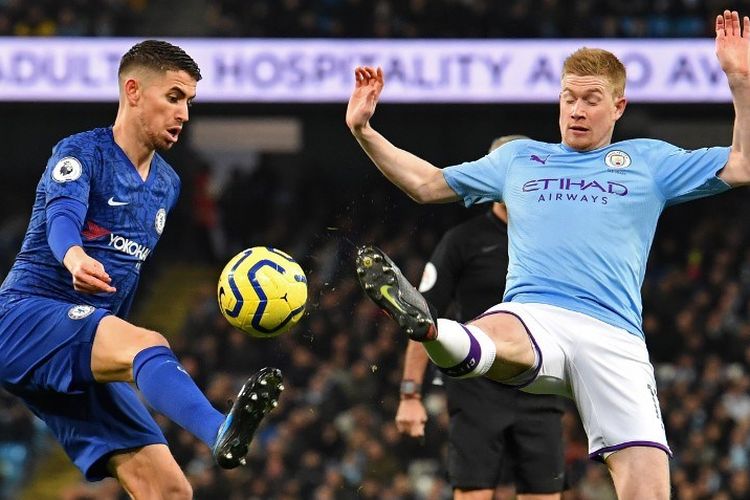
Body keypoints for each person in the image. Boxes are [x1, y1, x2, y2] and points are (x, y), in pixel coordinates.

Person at [346, 10, 750, 499]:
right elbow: (427, 184)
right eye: (568, 97)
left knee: (649, 490)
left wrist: (740, 83)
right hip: (533, 314)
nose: (577, 109)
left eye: (591, 99)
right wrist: (364, 132)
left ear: (618, 106)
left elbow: (743, 164)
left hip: (614, 337)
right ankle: (429, 328)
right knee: (492, 333)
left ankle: (440, 334)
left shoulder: (650, 161)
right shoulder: (519, 159)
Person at [0, 40, 283, 499]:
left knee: (171, 491)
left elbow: (124, 279)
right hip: (24, 318)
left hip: (81, 341)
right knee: (149, 343)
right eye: (174, 97)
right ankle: (219, 430)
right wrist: (73, 256)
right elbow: (62, 219)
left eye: (189, 101)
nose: (184, 114)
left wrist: (116, 335)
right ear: (133, 91)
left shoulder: (168, 185)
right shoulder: (81, 152)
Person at [396, 135, 566, 500]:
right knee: (474, 493)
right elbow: (422, 317)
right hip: (477, 388)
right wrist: (410, 393)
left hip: (538, 383)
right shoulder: (463, 241)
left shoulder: (557, 238)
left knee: (545, 495)